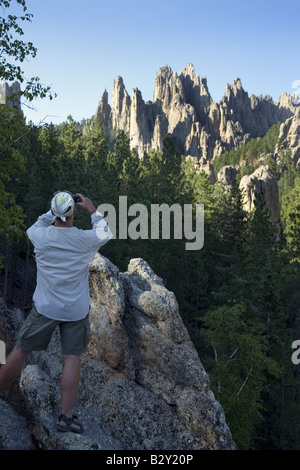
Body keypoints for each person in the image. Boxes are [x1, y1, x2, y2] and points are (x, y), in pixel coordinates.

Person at [0, 191, 112, 434]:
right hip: (75, 309)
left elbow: (36, 225)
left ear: (54, 213)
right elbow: (105, 232)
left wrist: (51, 213)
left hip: (45, 307)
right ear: (73, 212)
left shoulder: (40, 236)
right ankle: (66, 418)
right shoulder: (83, 239)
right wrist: (92, 209)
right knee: (71, 359)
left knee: (20, 350)